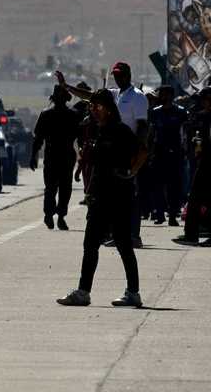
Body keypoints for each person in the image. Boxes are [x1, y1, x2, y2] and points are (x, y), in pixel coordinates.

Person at [57, 89, 145, 308]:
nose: (94, 111)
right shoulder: (98, 130)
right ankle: (83, 292)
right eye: (91, 107)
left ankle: (133, 292)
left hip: (118, 196)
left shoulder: (120, 130)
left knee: (124, 244)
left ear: (108, 108)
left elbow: (142, 151)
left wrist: (130, 172)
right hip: (99, 196)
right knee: (90, 244)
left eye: (97, 107)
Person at [58, 63, 148, 248]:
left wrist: (136, 154)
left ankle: (133, 235)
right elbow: (91, 96)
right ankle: (118, 233)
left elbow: (142, 128)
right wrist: (67, 87)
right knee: (112, 195)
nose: (118, 77)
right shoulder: (114, 94)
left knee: (130, 194)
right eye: (115, 74)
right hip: (111, 150)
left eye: (121, 74)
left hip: (127, 148)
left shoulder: (138, 98)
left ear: (129, 75)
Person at [32, 85, 81, 230]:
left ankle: (58, 216)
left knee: (60, 188)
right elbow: (38, 138)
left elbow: (80, 138)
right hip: (57, 156)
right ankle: (53, 215)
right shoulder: (50, 114)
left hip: (60, 156)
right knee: (55, 188)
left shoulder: (71, 115)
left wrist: (33, 155)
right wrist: (33, 155)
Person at [148, 85, 187, 226]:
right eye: (161, 94)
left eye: (165, 94)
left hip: (175, 153)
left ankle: (172, 215)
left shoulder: (181, 112)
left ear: (171, 95)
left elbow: (185, 133)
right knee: (157, 185)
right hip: (158, 152)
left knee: (174, 186)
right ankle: (159, 213)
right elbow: (151, 133)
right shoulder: (155, 112)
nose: (162, 97)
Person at [180, 89, 211, 244]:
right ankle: (191, 234)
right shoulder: (202, 116)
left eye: (205, 100)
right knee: (195, 197)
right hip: (203, 161)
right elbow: (197, 137)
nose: (203, 103)